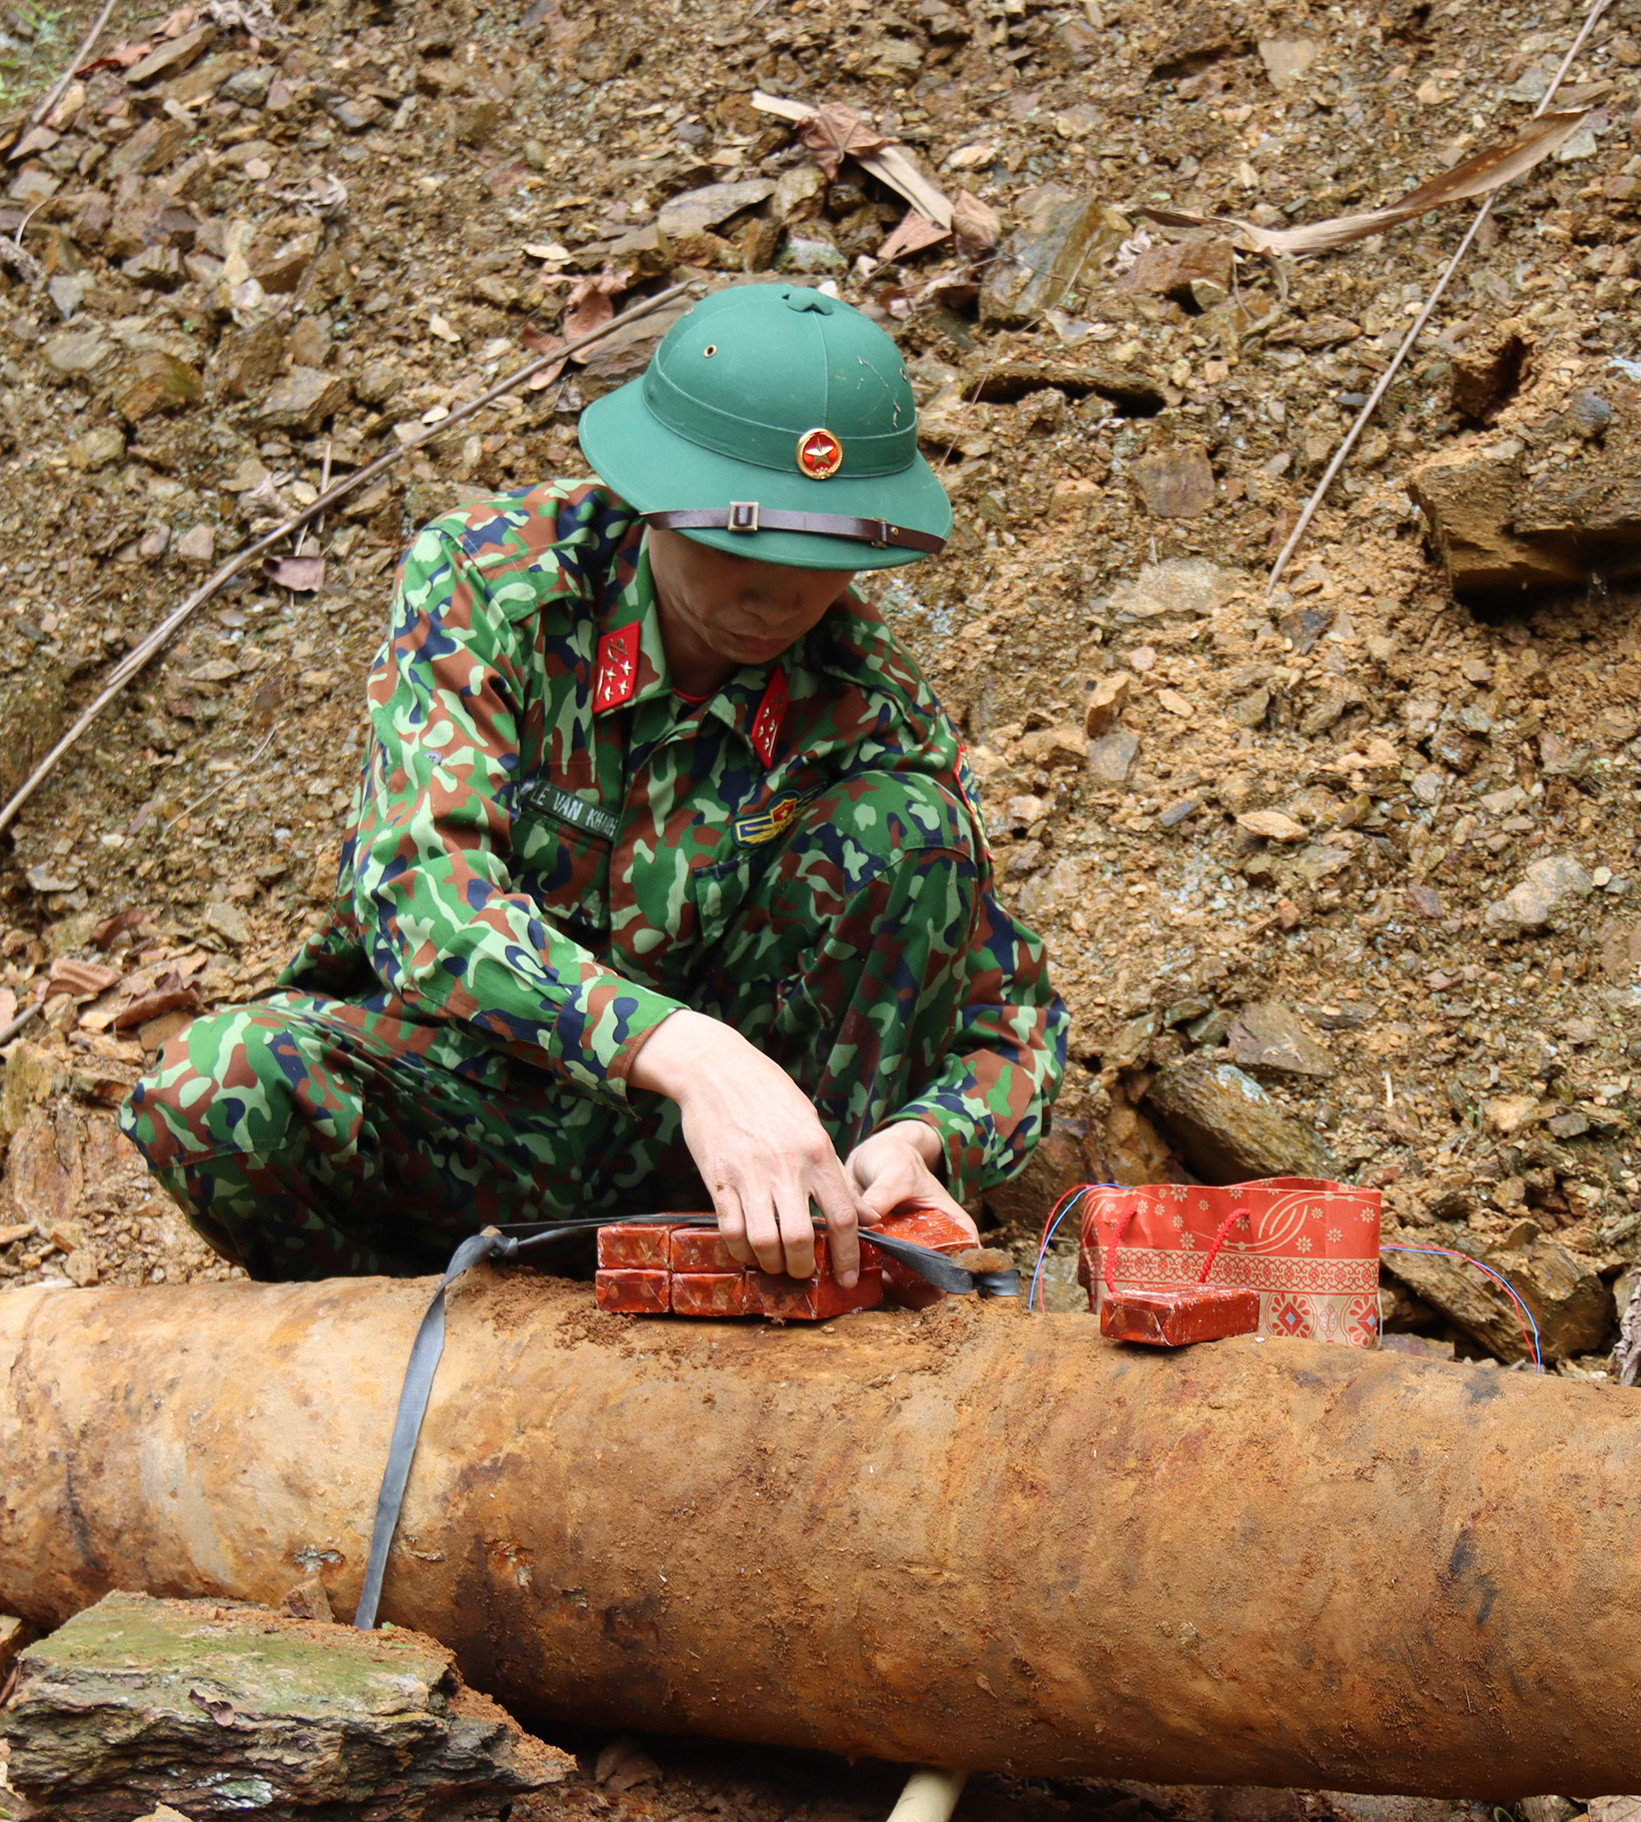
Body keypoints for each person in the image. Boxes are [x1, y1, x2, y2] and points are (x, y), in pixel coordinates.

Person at [126, 283, 1064, 1289]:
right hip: (472, 1113)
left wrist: (925, 1138)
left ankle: (785, 1297)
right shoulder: (495, 586)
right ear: (655, 492)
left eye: (823, 556)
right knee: (215, 1084)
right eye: (738, 543)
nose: (778, 594)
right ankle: (408, 1329)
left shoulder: (869, 700)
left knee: (907, 829)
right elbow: (419, 894)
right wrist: (688, 1053)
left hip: (726, 1185)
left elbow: (1009, 1025)